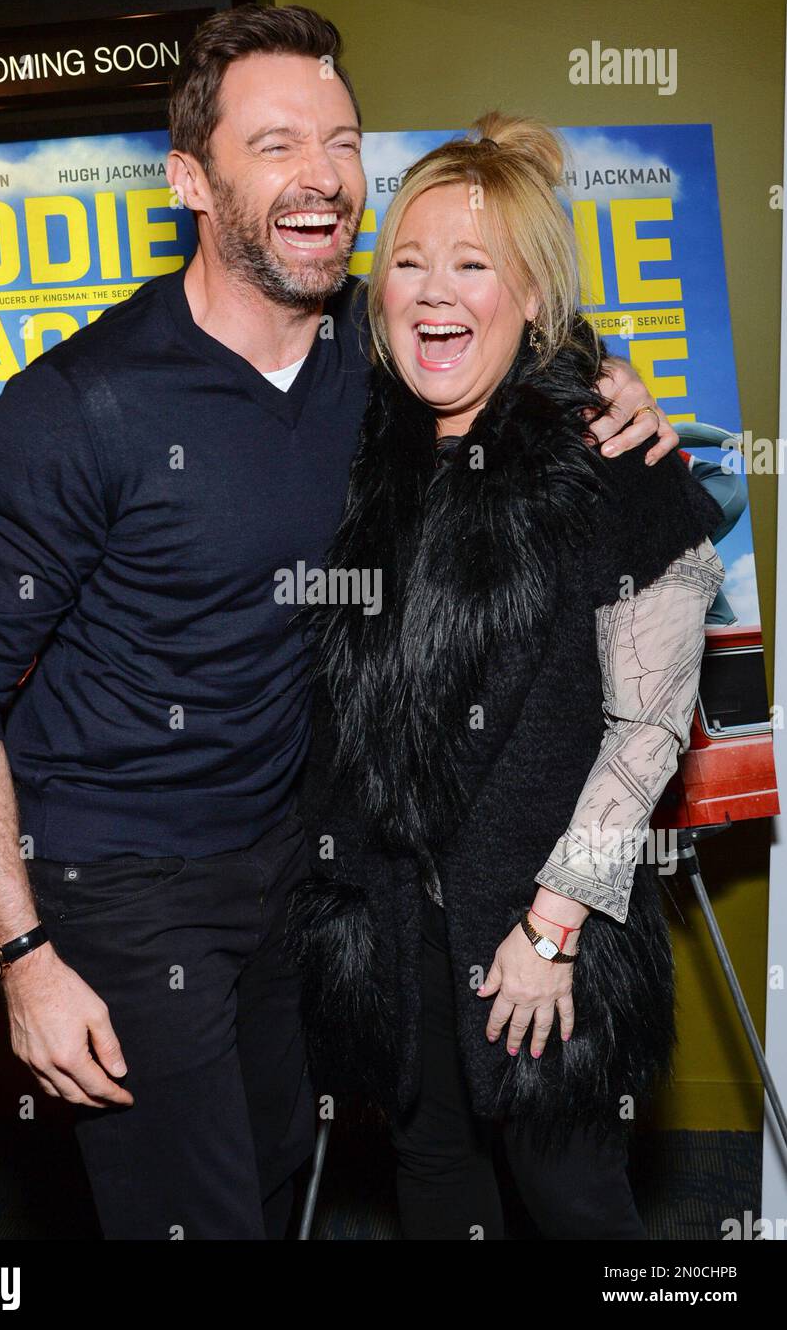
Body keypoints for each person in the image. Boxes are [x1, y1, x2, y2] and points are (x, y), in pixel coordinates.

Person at [0, 7, 677, 1241]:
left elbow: (496, 316)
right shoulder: (81, 405)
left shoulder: (372, 353)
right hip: (120, 880)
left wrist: (609, 381)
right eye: (275, 145)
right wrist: (22, 954)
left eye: (341, 139)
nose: (320, 174)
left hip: (295, 871)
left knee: (276, 1182)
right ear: (190, 181)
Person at [289, 112, 725, 1240]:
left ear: (533, 296)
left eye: (473, 265)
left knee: (574, 1195)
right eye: (410, 262)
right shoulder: (358, 446)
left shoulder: (613, 460)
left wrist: (551, 927)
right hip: (394, 920)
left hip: (545, 928)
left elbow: (649, 730)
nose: (435, 293)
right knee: (435, 1176)